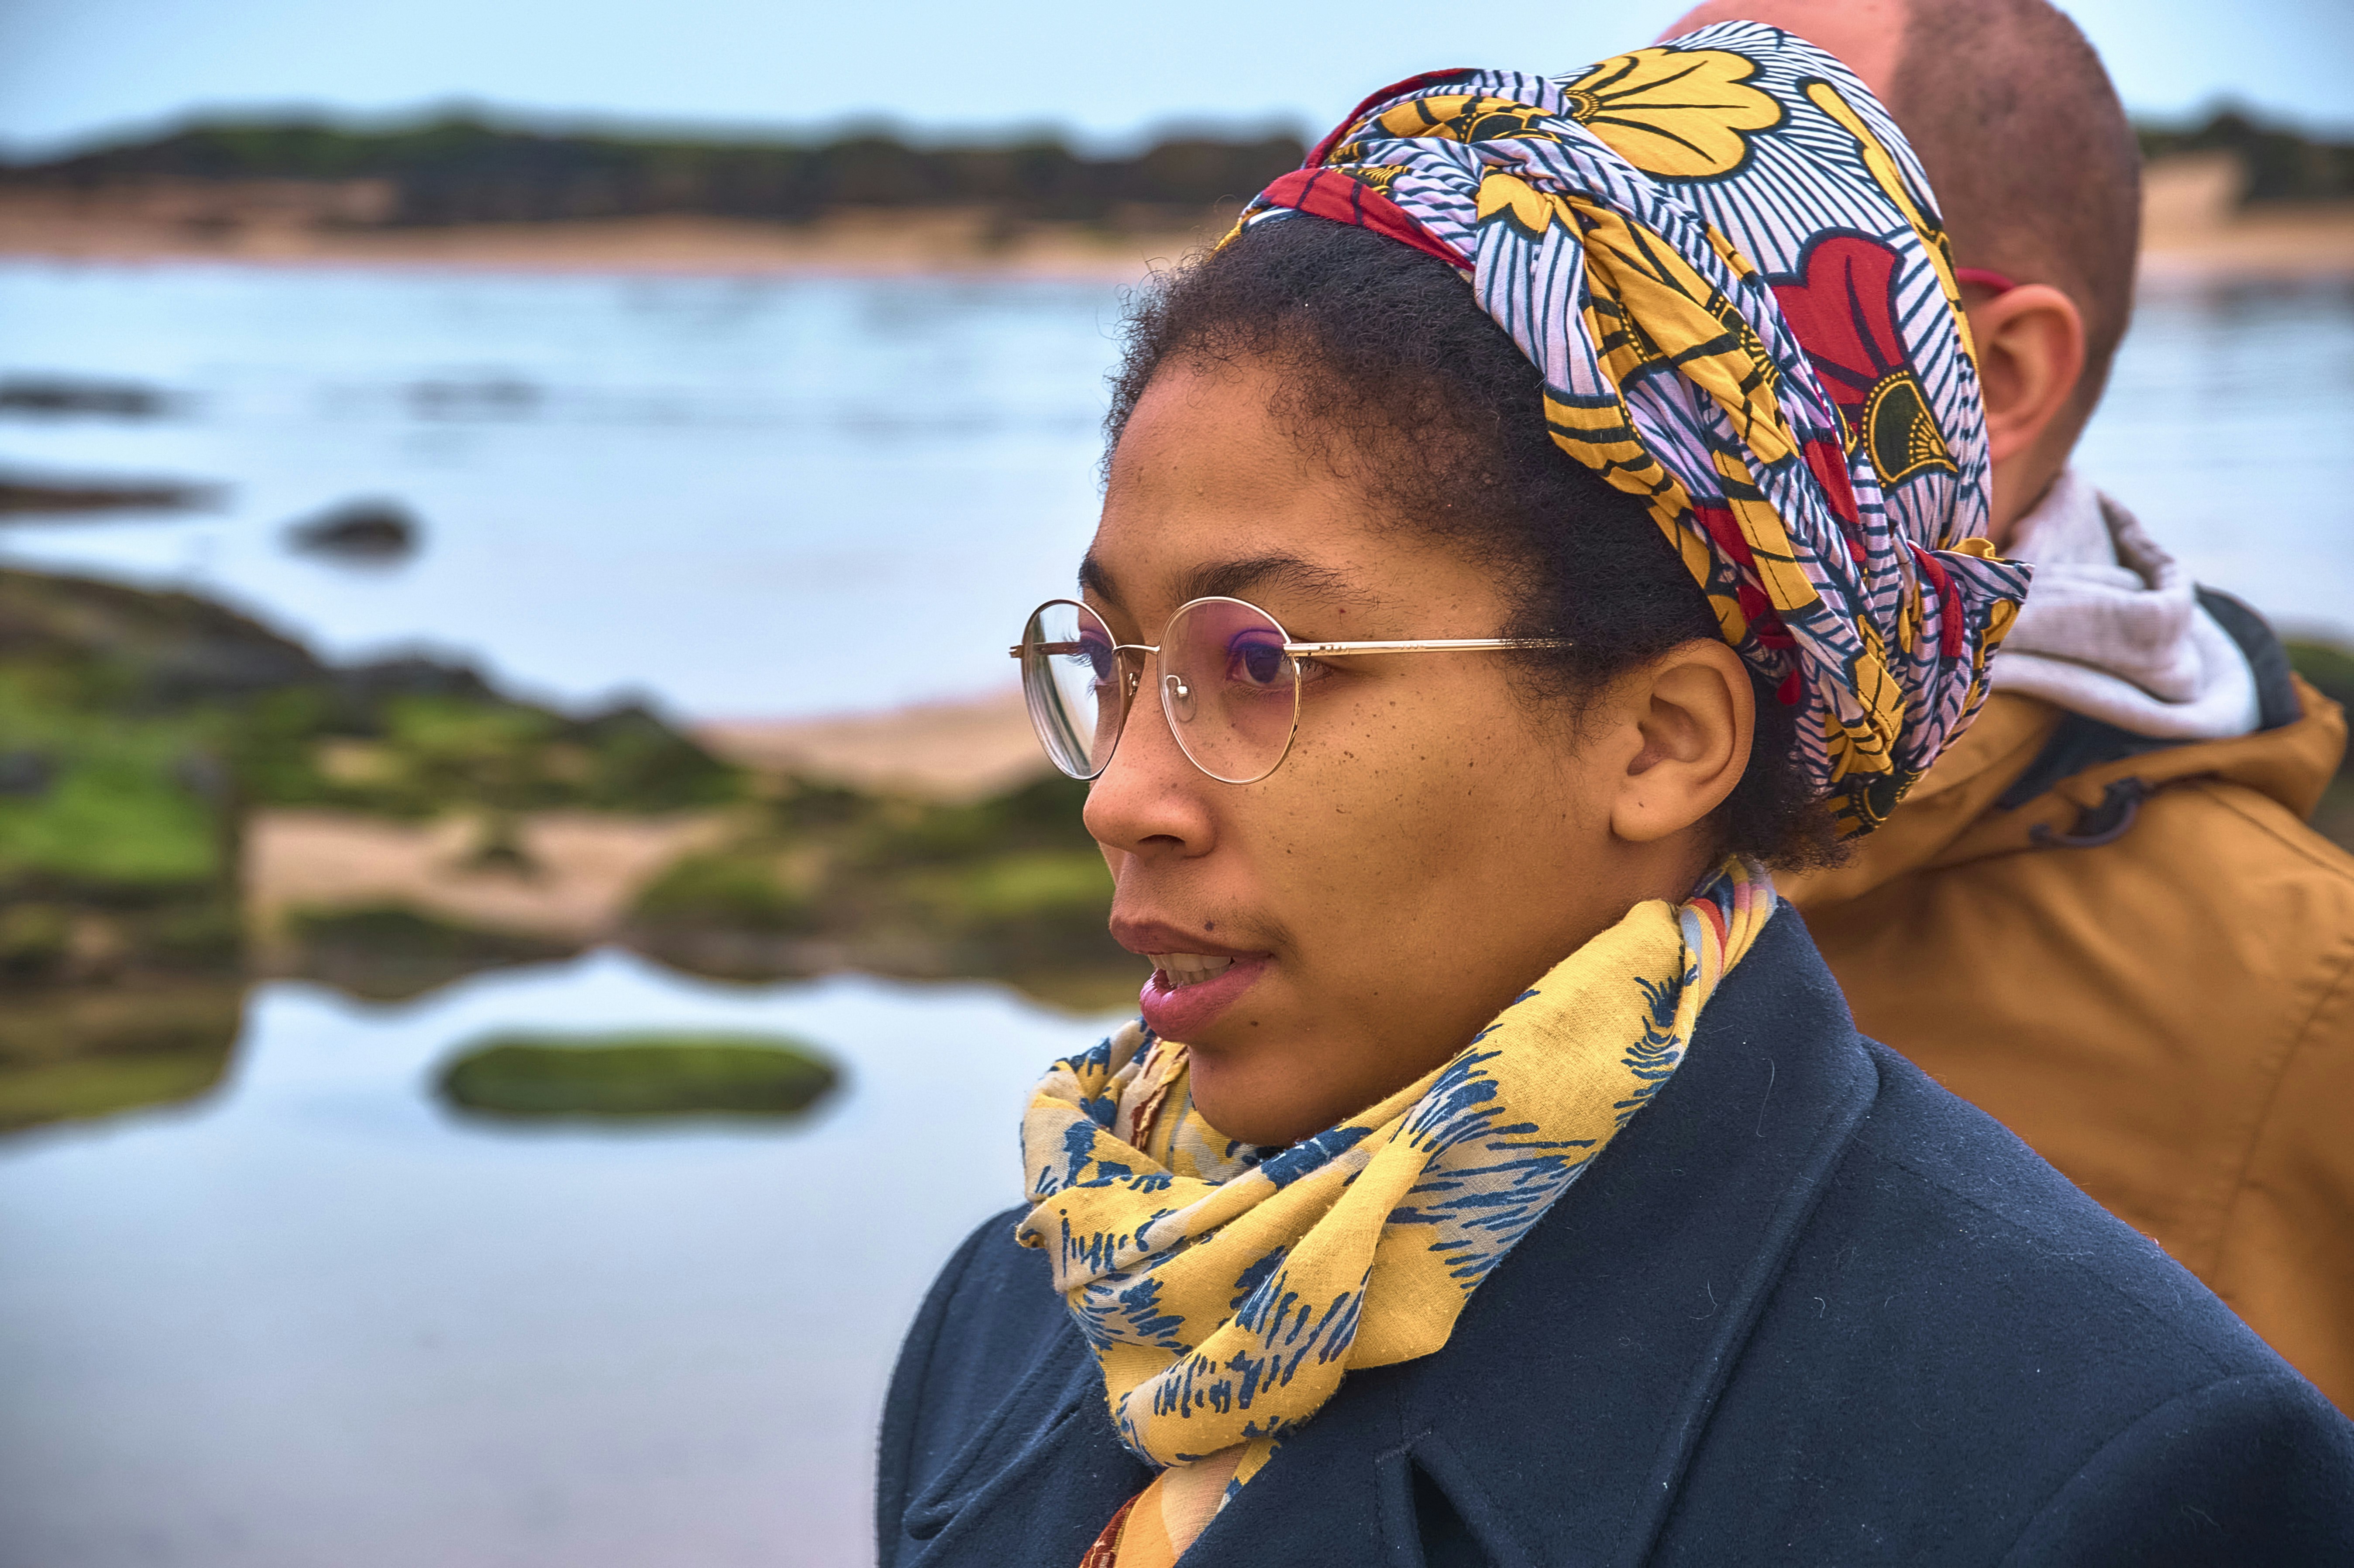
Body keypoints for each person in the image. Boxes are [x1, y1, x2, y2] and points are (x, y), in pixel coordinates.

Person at [876, 24, 2354, 1567]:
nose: (1125, 795)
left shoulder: (2109, 1475)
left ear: (1660, 741)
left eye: (1260, 661)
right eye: (1113, 659)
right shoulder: (1013, 1323)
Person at [1662, 0, 2354, 1411]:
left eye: (1699, 294)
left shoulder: (2305, 1006)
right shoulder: (1477, 833)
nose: (1588, 371)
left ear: (1999, 377)